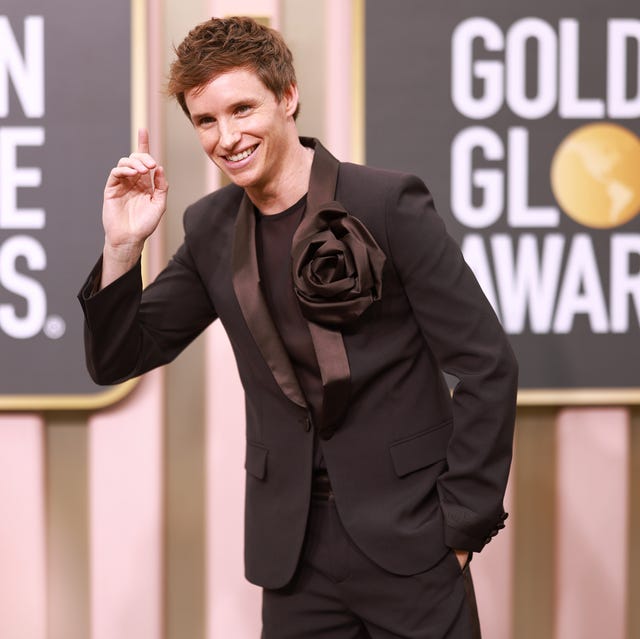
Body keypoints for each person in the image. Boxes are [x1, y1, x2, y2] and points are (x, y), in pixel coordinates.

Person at [79, 16, 518, 639]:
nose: (227, 137)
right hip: (293, 555)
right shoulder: (209, 228)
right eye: (206, 120)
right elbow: (118, 358)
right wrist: (122, 248)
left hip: (414, 540)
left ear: (287, 97)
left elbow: (487, 364)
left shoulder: (388, 204)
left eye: (242, 109)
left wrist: (459, 530)